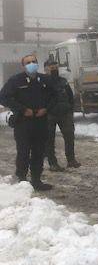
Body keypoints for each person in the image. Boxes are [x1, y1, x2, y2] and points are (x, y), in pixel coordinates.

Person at [0, 54, 55, 190]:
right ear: (23, 66)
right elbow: (4, 97)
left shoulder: (45, 80)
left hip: (41, 122)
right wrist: (22, 109)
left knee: (39, 152)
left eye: (34, 61)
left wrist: (46, 109)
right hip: (23, 123)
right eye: (28, 62)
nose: (31, 64)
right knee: (23, 152)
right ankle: (22, 181)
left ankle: (36, 180)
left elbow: (55, 96)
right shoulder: (15, 81)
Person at [44, 59, 80, 171]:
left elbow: (70, 96)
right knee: (49, 140)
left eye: (55, 66)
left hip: (65, 114)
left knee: (69, 137)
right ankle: (53, 163)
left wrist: (70, 109)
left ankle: (71, 160)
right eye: (51, 67)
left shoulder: (63, 81)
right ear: (46, 69)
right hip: (49, 115)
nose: (54, 68)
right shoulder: (42, 82)